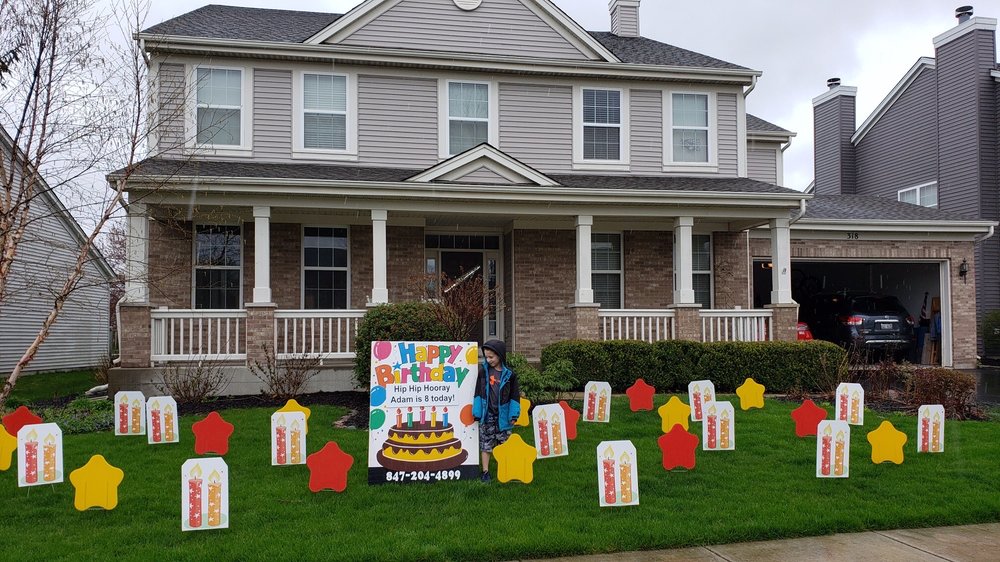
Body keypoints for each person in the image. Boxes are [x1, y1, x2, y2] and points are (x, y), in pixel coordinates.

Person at [472, 339, 520, 482]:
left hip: (503, 417)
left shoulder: (510, 375)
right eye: (486, 357)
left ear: (500, 355)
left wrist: (513, 414)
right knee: (486, 445)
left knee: (504, 444)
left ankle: (504, 469)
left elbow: (514, 396)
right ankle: (485, 472)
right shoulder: (483, 372)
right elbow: (478, 393)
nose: (488, 360)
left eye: (491, 357)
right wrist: (477, 412)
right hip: (487, 415)